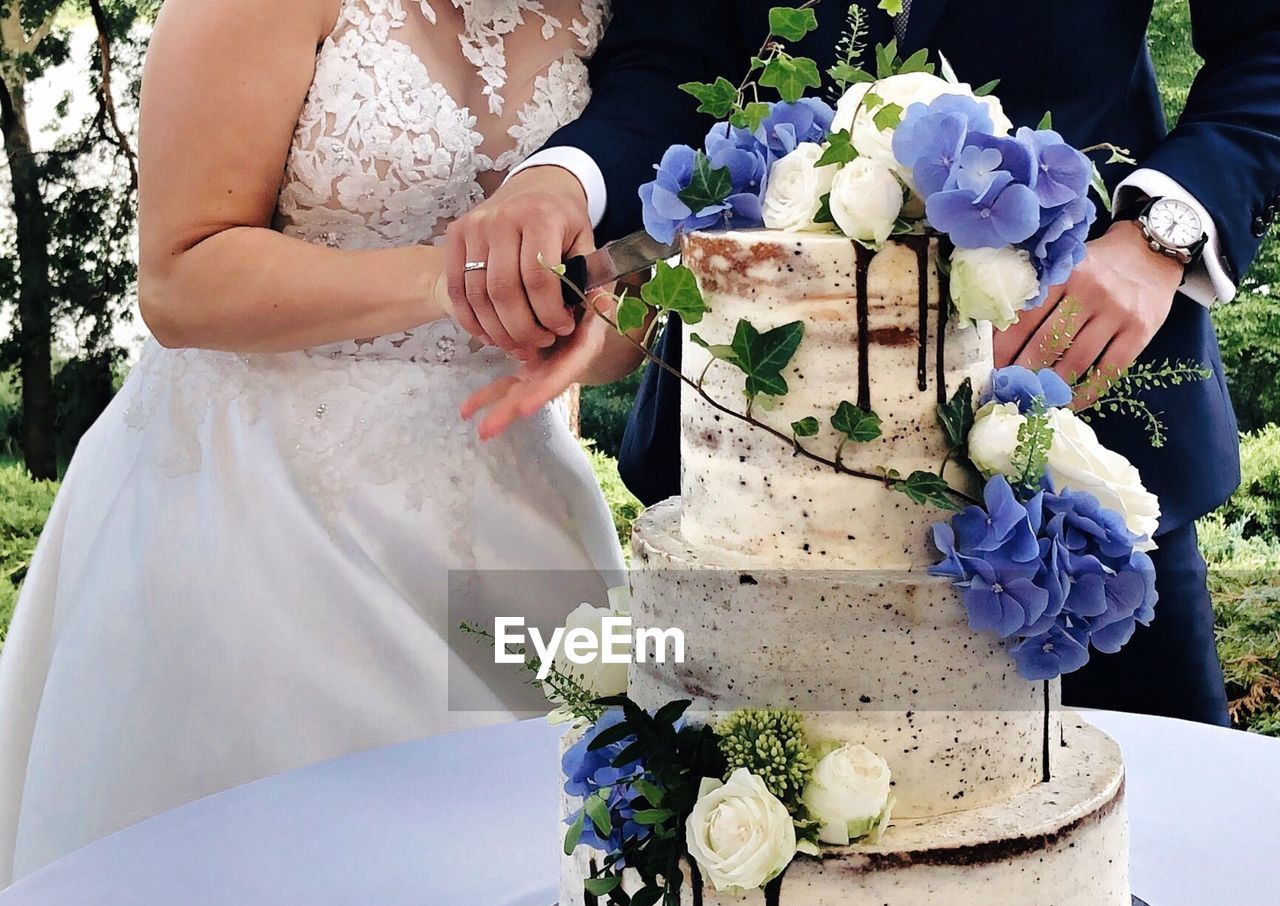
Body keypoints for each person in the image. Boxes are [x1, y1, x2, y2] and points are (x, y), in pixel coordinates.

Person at [453, 0, 1280, 727]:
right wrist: (564, 182)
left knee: (1157, 860)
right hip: (753, 480)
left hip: (1082, 452)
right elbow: (670, 58)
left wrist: (1161, 233)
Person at [0, 0, 644, 885]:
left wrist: (588, 322)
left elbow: (614, 316)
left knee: (534, 889)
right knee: (290, 890)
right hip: (256, 512)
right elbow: (181, 278)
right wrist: (460, 277)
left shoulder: (614, 13)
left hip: (511, 509)